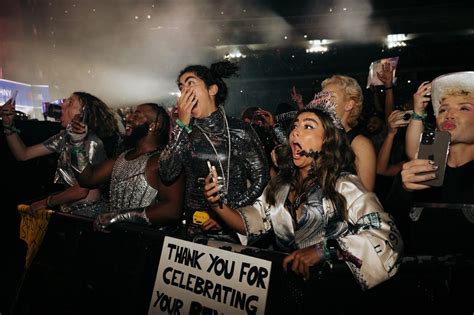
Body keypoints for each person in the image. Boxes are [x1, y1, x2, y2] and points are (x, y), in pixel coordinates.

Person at [203, 94, 403, 290]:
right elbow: (250, 222)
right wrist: (216, 205)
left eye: (308, 126)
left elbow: (386, 239)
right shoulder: (280, 188)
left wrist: (324, 250)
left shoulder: (345, 186)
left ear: (327, 141)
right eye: (295, 126)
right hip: (289, 291)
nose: (295, 132)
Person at [159, 60, 269, 241]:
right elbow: (167, 173)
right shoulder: (185, 131)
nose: (184, 90)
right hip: (192, 230)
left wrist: (225, 214)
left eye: (191, 83)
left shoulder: (239, 129)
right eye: (181, 87)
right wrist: (182, 125)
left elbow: (261, 178)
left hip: (232, 229)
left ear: (212, 89)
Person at [386, 71, 474, 248]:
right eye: (442, 109)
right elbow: (390, 228)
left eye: (464, 108)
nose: (448, 114)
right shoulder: (422, 170)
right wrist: (404, 191)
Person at [1, 92, 120, 217]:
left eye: (70, 102)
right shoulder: (64, 137)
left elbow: (81, 190)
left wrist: (45, 202)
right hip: (71, 211)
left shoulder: (90, 141)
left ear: (84, 113)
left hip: (89, 213)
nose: (62, 104)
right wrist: (8, 125)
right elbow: (23, 154)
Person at [69, 103, 184, 230]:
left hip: (147, 242)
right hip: (118, 239)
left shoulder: (163, 161)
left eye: (137, 115)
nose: (129, 118)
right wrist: (77, 143)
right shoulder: (122, 157)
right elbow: (87, 179)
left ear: (153, 126)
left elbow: (172, 211)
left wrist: (120, 217)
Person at [321, 75, 377, 191]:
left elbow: (365, 197)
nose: (323, 101)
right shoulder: (320, 138)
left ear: (349, 105)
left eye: (331, 96)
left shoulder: (360, 144)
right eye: (322, 97)